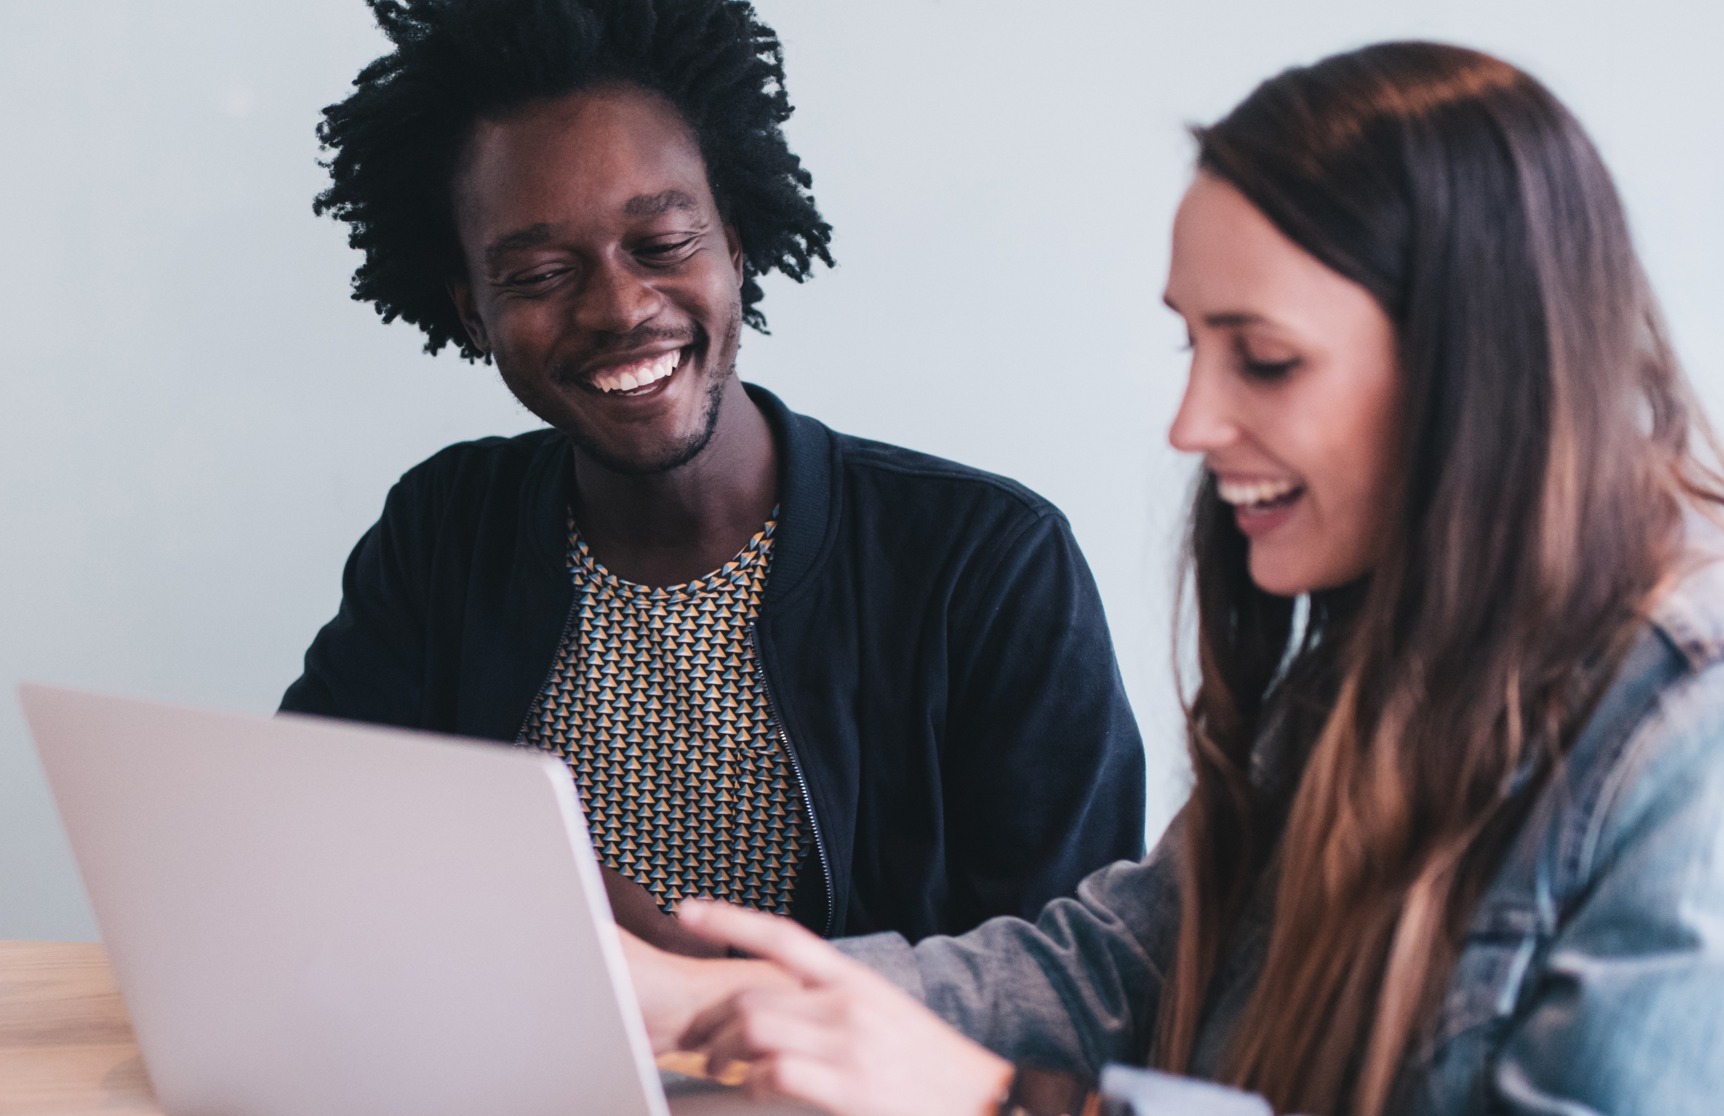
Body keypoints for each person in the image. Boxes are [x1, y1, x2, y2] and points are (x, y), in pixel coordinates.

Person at [622, 40, 1724, 1116]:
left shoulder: (1690, 725)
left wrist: (997, 1103)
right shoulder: (1388, 644)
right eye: (1189, 345)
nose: (1193, 423)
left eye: (1266, 359)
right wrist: (707, 1003)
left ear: (1476, 365)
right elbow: (1121, 969)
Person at [279, 0, 1146, 957]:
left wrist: (678, 970)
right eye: (539, 275)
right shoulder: (444, 529)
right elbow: (310, 839)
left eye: (662, 247)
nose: (619, 307)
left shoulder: (986, 562)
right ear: (472, 312)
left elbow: (1072, 982)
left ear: (736, 245)